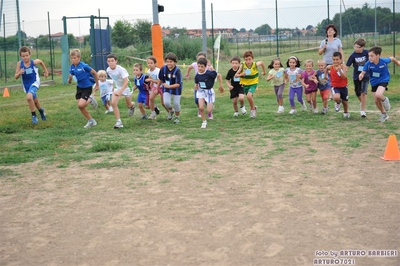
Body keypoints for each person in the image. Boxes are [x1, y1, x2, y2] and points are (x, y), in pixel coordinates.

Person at [359, 46, 400, 122]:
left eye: (372, 56)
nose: (370, 57)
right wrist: (361, 75)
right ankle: (384, 114)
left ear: (377, 55)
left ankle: (385, 100)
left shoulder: (384, 61)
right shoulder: (368, 63)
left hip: (384, 79)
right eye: (369, 56)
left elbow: (392, 58)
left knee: (378, 94)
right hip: (374, 82)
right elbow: (363, 72)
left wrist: (397, 63)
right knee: (376, 100)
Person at [14, 46, 49, 125]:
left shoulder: (33, 62)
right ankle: (41, 111)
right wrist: (19, 73)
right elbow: (15, 77)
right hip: (26, 84)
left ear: (29, 55)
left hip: (35, 82)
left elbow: (41, 62)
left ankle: (34, 116)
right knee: (35, 101)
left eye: (27, 55)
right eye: (23, 56)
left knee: (29, 97)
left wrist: (46, 71)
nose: (25, 57)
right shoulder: (19, 64)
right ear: (21, 56)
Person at [186, 51, 224, 118]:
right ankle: (200, 111)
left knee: (208, 104)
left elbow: (218, 75)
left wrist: (221, 85)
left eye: (202, 59)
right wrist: (188, 75)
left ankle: (209, 110)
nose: (200, 67)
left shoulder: (209, 68)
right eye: (199, 59)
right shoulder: (195, 65)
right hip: (199, 87)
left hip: (208, 88)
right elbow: (190, 68)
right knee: (196, 100)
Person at [67, 49, 99, 128]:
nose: (73, 60)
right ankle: (91, 121)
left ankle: (90, 99)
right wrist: (70, 79)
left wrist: (97, 84)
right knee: (81, 106)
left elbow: (94, 72)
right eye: (71, 58)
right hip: (79, 88)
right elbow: (69, 81)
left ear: (79, 58)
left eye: (75, 58)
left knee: (80, 105)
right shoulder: (71, 67)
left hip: (87, 87)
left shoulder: (84, 66)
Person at [106, 53, 136, 129]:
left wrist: (120, 92)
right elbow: (113, 79)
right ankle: (119, 122)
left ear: (116, 61)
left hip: (126, 87)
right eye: (108, 61)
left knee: (128, 105)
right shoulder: (108, 70)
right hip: (117, 87)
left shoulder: (121, 69)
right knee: (113, 103)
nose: (110, 63)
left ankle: (132, 106)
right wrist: (113, 87)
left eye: (112, 61)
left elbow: (126, 81)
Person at [235, 50, 266, 118]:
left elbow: (262, 63)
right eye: (246, 60)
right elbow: (236, 75)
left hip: (253, 83)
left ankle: (252, 110)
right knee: (249, 98)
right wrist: (241, 74)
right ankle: (254, 107)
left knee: (249, 96)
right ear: (244, 60)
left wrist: (264, 72)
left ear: (252, 59)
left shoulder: (255, 64)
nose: (248, 61)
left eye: (249, 59)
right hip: (245, 84)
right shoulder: (242, 65)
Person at [345, 38, 369, 118]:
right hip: (356, 76)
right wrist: (344, 74)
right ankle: (363, 103)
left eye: (358, 47)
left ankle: (362, 111)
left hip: (365, 75)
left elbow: (372, 61)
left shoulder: (367, 53)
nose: (356, 48)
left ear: (362, 47)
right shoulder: (353, 55)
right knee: (358, 92)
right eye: (354, 46)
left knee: (363, 92)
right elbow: (347, 65)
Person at [157, 52, 183, 124]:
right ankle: (171, 111)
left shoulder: (177, 71)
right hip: (166, 88)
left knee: (176, 104)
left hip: (176, 89)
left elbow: (178, 84)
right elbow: (160, 79)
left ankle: (177, 117)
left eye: (171, 62)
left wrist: (169, 86)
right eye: (167, 62)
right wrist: (157, 88)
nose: (169, 63)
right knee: (166, 102)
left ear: (174, 62)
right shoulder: (163, 69)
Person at [325, 52, 350, 118]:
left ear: (341, 59)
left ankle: (346, 113)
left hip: (343, 86)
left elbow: (344, 77)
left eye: (337, 59)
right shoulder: (331, 67)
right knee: (336, 97)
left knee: (345, 102)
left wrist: (340, 71)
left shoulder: (343, 66)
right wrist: (325, 76)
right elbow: (326, 68)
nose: (335, 61)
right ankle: (338, 102)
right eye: (334, 60)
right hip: (335, 86)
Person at [195, 57, 218, 128]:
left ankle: (210, 110)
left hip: (209, 92)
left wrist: (212, 69)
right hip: (201, 91)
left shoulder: (209, 73)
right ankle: (204, 122)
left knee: (208, 110)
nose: (200, 68)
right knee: (201, 108)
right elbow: (196, 83)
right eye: (199, 66)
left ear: (205, 67)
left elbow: (215, 74)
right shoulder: (197, 75)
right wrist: (196, 86)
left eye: (202, 67)